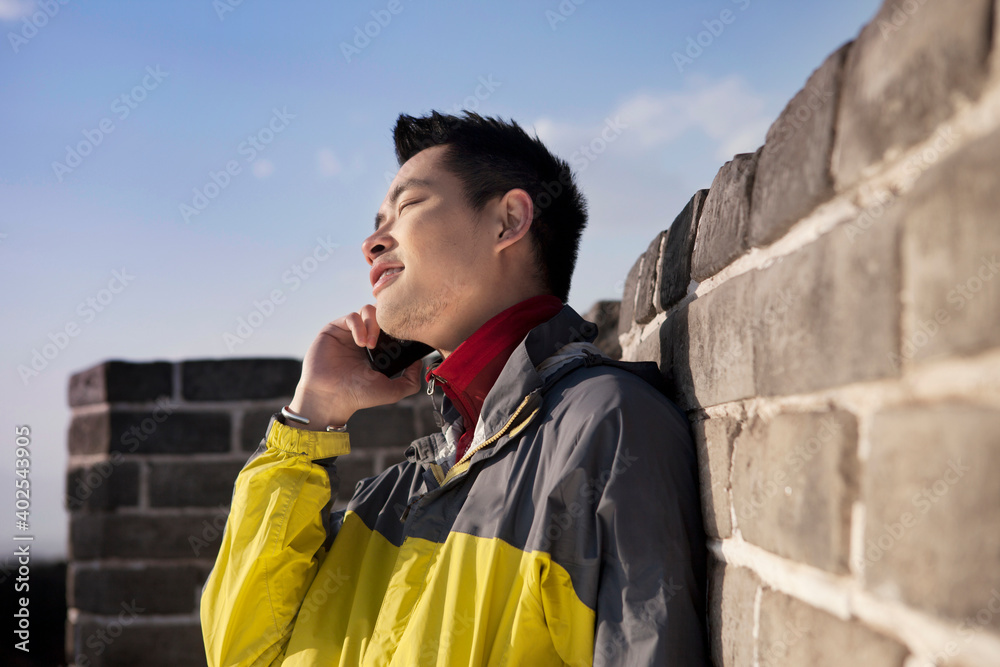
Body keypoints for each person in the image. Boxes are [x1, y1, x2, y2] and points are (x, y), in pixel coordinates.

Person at [200, 111, 708, 666]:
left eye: (409, 205)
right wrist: (310, 416)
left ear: (508, 221)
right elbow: (241, 652)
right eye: (376, 220)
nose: (372, 242)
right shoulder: (393, 497)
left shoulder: (603, 426)